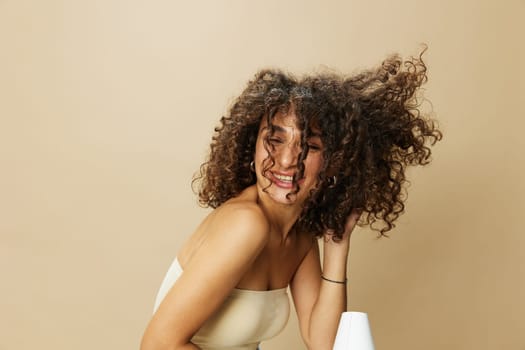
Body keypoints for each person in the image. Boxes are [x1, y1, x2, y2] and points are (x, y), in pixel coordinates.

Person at [140, 50, 442, 350]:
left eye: (309, 146)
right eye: (275, 139)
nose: (286, 160)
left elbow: (324, 344)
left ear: (334, 163)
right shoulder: (245, 223)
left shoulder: (299, 234)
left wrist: (338, 242)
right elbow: (157, 345)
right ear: (251, 145)